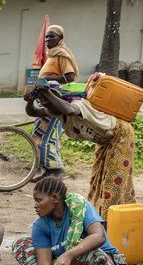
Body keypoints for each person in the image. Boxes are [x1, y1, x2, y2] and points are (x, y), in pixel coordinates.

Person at [12, 176, 126, 265]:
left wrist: (68, 254)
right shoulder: (40, 226)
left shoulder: (79, 207)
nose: (35, 205)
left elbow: (99, 237)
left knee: (83, 251)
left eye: (39, 200)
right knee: (22, 245)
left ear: (54, 198)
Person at [25, 80, 136, 216]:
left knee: (114, 181)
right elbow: (33, 112)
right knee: (98, 178)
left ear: (58, 97)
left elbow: (71, 111)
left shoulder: (77, 103)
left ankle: (113, 218)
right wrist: (31, 100)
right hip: (105, 142)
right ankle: (100, 215)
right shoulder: (56, 110)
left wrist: (47, 92)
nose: (49, 109)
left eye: (50, 102)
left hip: (120, 135)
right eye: (45, 104)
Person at [29, 25, 79, 182]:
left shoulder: (61, 55)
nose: (48, 40)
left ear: (60, 39)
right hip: (46, 97)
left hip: (54, 98)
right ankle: (47, 171)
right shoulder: (51, 55)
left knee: (46, 136)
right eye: (47, 37)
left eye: (52, 37)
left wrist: (48, 81)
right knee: (41, 135)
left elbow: (70, 76)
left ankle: (57, 170)